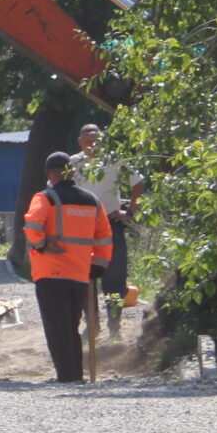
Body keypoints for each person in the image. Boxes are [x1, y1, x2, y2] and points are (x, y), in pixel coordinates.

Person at [23, 151, 112, 383]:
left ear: (49, 174)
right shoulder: (92, 201)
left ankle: (67, 376)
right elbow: (104, 237)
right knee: (71, 325)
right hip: (80, 274)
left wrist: (41, 244)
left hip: (51, 273)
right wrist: (98, 266)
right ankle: (76, 374)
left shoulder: (45, 198)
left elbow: (32, 225)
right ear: (72, 172)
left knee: (57, 328)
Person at [72, 123, 138, 308]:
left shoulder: (114, 161)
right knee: (84, 274)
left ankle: (114, 318)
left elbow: (138, 182)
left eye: (95, 140)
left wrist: (130, 210)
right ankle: (92, 321)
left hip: (111, 223)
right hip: (82, 228)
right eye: (87, 140)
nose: (91, 144)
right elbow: (55, 188)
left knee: (114, 275)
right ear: (80, 142)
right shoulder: (73, 163)